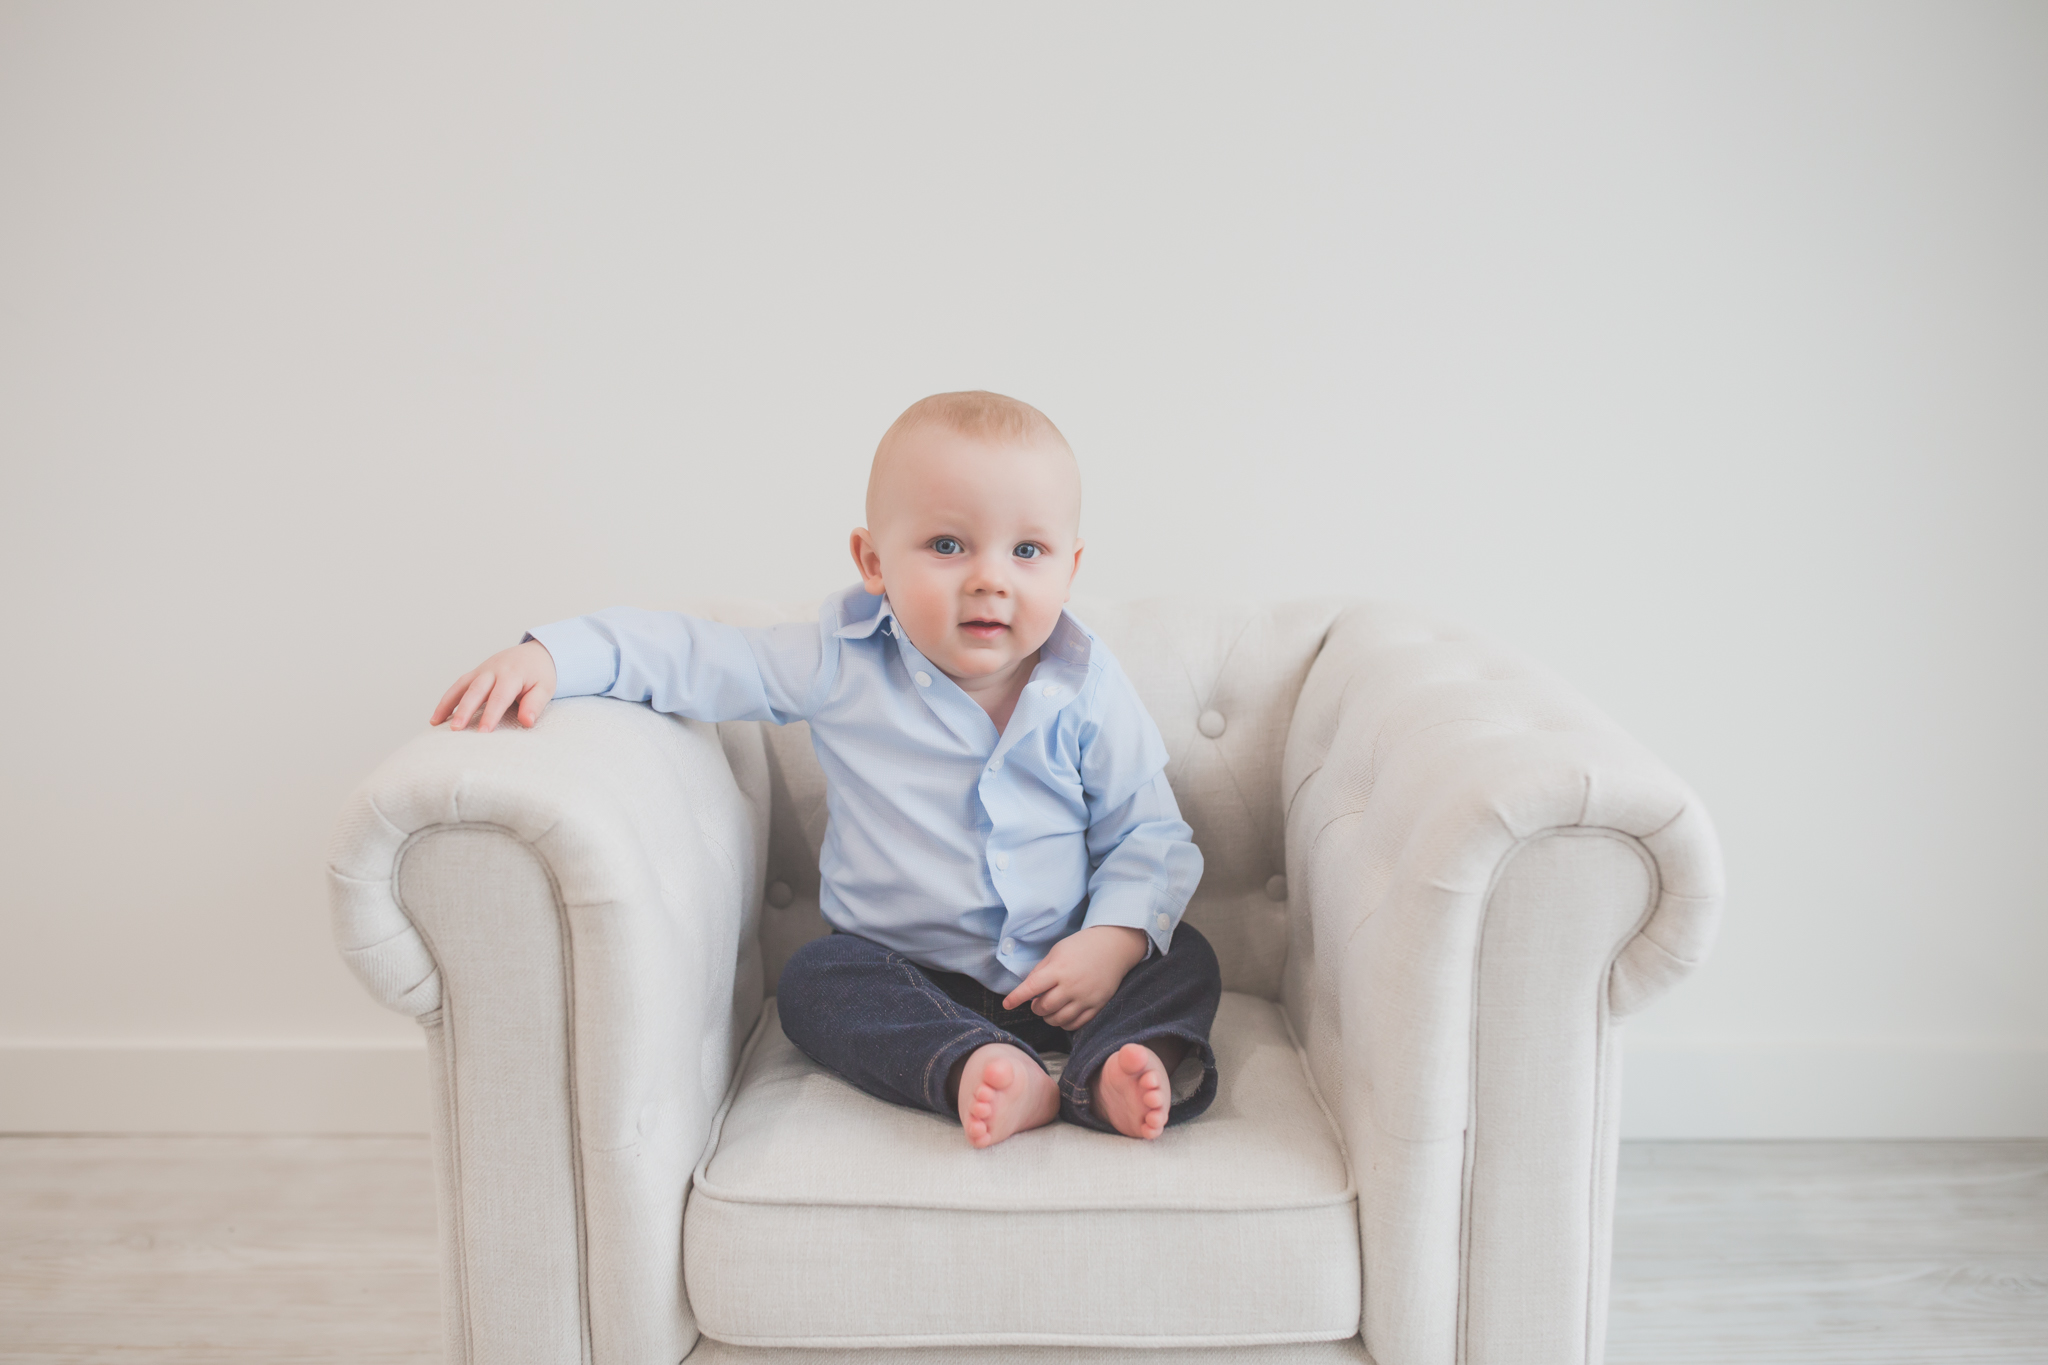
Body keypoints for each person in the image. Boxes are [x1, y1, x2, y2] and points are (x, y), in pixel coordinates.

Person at [430, 391, 1219, 1148]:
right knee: (814, 980)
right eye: (948, 545)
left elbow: (1148, 830)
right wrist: (553, 654)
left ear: (1069, 568)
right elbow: (693, 654)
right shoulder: (838, 661)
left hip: (1072, 973)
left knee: (1182, 953)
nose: (990, 577)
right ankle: (978, 1066)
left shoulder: (1087, 683)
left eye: (1028, 550)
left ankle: (1112, 1067)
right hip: (908, 977)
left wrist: (1111, 942)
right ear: (873, 560)